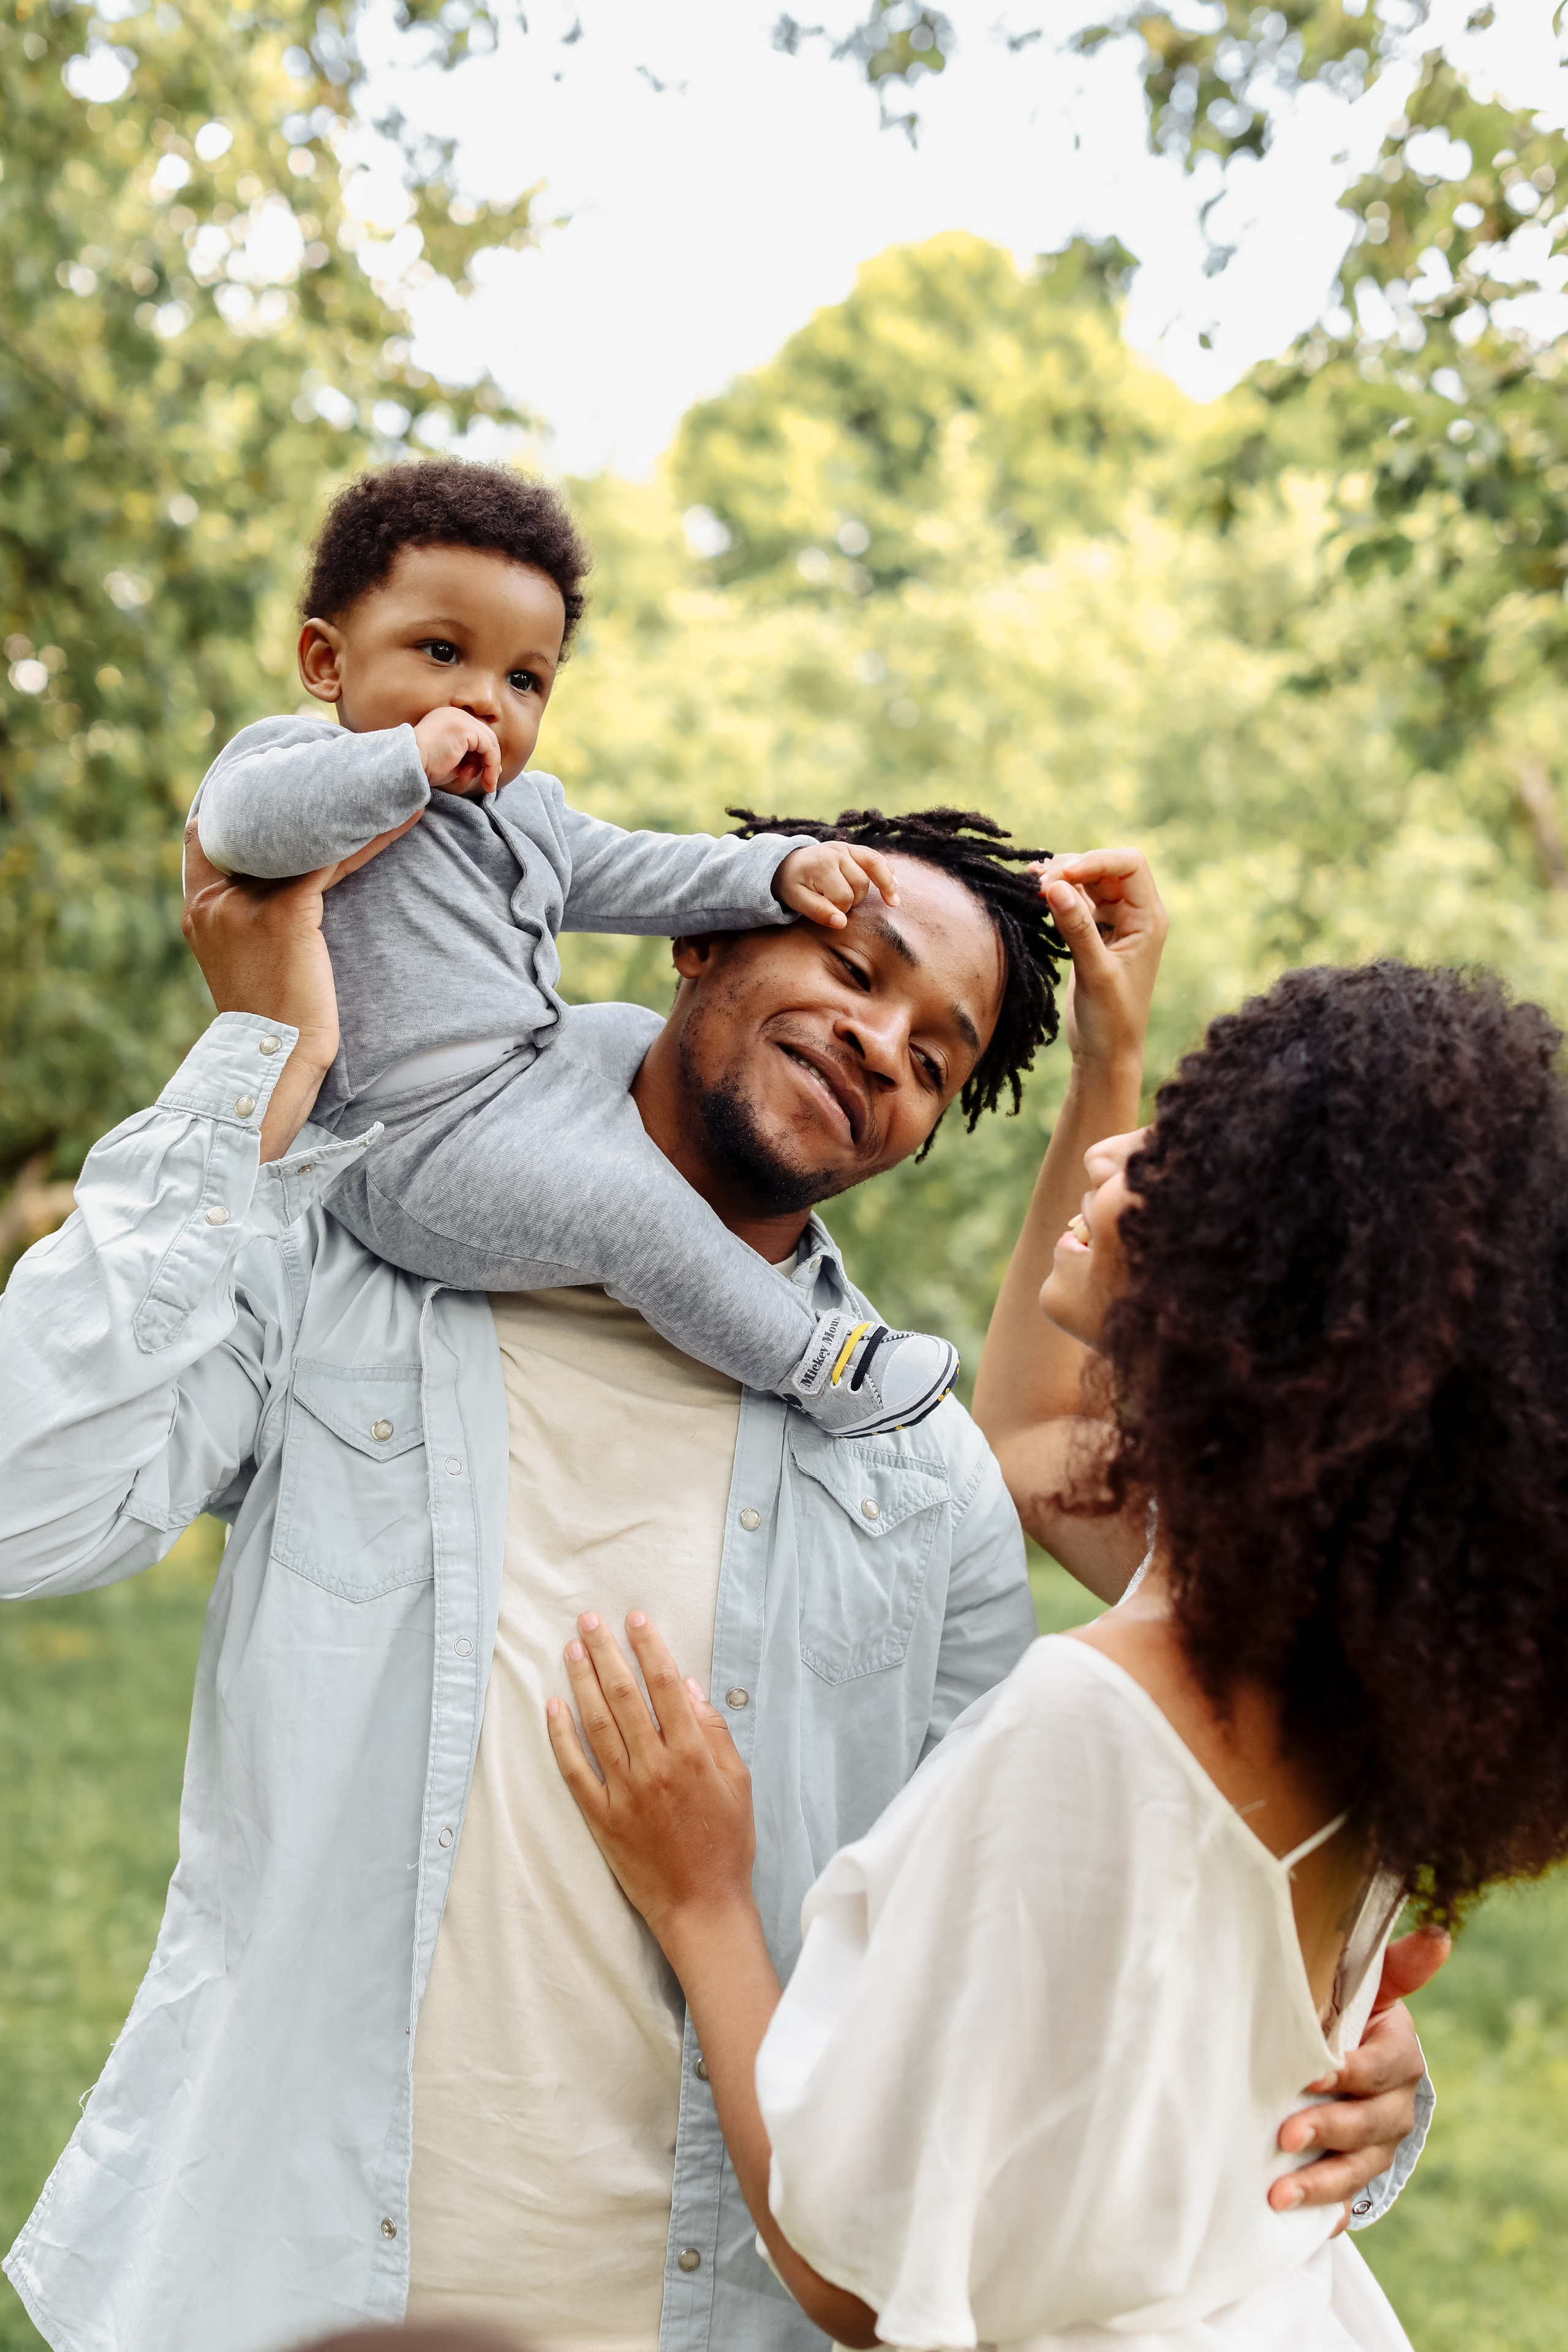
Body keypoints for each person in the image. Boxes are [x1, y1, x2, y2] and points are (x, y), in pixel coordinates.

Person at [0, 827, 1427, 2352]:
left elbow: (1011, 1967)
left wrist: (1336, 2066)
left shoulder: (917, 1476)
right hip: (269, 2287)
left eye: (934, 1060)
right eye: (851, 965)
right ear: (699, 936)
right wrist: (261, 1057)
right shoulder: (344, 1277)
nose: (879, 1042)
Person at [540, 952, 1568, 2351]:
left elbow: (857, 2275)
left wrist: (703, 1893)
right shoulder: (1335, 1650)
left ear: (1268, 1267)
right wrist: (1104, 1054)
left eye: (1183, 1155)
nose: (1121, 1148)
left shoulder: (1089, 1727)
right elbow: (1026, 1442)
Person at [190, 456, 963, 1438]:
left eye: (523, 679)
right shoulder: (294, 761)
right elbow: (243, 830)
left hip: (527, 1072)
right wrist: (399, 764)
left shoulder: (522, 808)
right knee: (629, 1209)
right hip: (411, 1140)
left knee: (642, 1038)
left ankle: (733, 1266)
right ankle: (818, 1366)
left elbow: (636, 871)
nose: (482, 701)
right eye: (439, 652)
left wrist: (770, 873)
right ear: (326, 662)